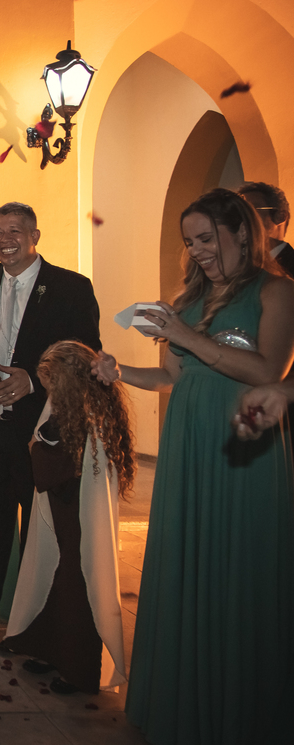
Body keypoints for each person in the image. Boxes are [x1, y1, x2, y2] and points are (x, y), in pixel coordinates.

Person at [91, 188, 294, 745]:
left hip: (242, 448)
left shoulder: (276, 292)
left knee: (239, 568)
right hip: (187, 449)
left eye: (208, 238)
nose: (198, 251)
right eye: (189, 242)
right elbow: (177, 379)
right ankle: (184, 702)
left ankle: (242, 710)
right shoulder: (184, 302)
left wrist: (183, 336)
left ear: (244, 232)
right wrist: (121, 371)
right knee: (189, 561)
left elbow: (267, 370)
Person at [0, 201, 101, 645]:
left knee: (42, 527)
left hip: (40, 430)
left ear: (35, 236)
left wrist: (33, 381)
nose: (5, 239)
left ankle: (38, 623)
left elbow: (84, 353)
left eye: (15, 230)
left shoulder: (71, 288)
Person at [0, 340, 133, 695]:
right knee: (53, 578)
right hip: (61, 513)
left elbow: (73, 467)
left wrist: (38, 451)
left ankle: (78, 668)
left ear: (70, 380)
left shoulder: (93, 414)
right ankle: (48, 649)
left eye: (52, 384)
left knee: (78, 585)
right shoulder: (68, 406)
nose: (49, 392)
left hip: (79, 518)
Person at [239, 181, 294, 277]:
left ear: (280, 217)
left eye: (251, 211)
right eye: (239, 213)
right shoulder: (239, 266)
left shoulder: (290, 266)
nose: (243, 218)